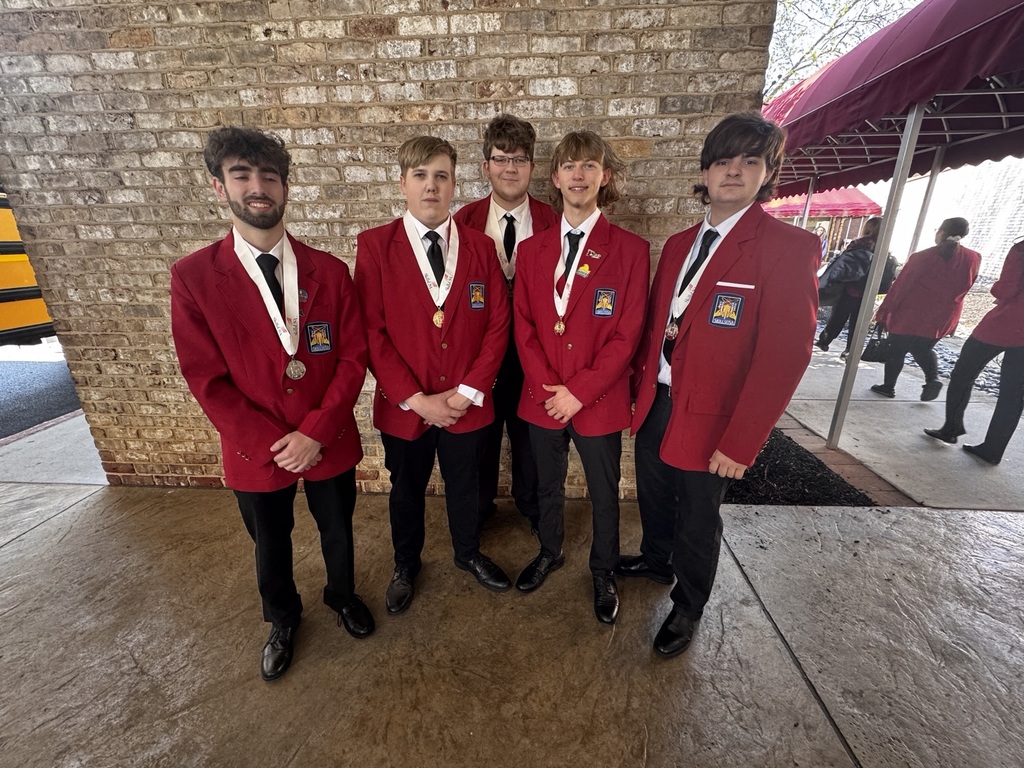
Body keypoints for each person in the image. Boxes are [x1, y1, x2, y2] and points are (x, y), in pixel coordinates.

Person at [170, 126, 374, 682]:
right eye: (242, 175)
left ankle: (342, 595)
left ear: (285, 188)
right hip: (255, 448)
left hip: (325, 436)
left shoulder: (329, 272)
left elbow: (352, 359)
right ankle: (282, 617)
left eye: (269, 177)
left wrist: (317, 431)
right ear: (219, 187)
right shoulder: (193, 278)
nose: (257, 187)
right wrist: (270, 443)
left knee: (338, 527)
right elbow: (205, 377)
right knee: (269, 540)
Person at [619, 112, 819, 657]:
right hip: (657, 401)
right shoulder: (681, 244)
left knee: (699, 517)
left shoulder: (787, 248)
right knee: (655, 495)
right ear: (705, 172)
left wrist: (742, 441)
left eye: (749, 162)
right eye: (723, 161)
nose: (734, 172)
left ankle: (689, 605)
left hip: (715, 418)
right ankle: (656, 561)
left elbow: (784, 357)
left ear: (767, 173)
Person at [355, 135, 512, 616]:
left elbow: (497, 325)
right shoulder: (375, 246)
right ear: (403, 184)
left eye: (441, 176)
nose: (431, 186)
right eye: (420, 176)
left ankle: (467, 553)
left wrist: (466, 393)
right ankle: (406, 564)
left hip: (465, 405)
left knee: (467, 486)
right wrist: (417, 400)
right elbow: (371, 332)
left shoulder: (482, 248)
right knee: (405, 489)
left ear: (454, 184)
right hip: (407, 409)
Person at [512, 130, 649, 625]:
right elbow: (523, 324)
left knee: (603, 490)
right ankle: (550, 551)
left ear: (603, 177)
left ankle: (604, 568)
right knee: (547, 486)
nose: (578, 174)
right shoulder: (531, 251)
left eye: (589, 165)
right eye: (569, 166)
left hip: (598, 401)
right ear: (554, 178)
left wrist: (580, 393)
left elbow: (627, 335)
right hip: (543, 398)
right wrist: (552, 389)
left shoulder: (631, 251)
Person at [453, 114, 559, 533]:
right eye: (501, 159)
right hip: (480, 351)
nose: (510, 168)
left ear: (532, 167)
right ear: (486, 167)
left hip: (536, 350)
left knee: (531, 436)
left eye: (519, 159)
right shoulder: (463, 221)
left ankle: (532, 508)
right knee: (478, 437)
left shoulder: (554, 221)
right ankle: (478, 510)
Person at [925, 239, 1024, 464]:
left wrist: (995, 289)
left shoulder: (1021, 249)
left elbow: (1006, 289)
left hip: (1005, 323)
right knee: (1013, 395)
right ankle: (993, 450)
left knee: (963, 374)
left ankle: (951, 427)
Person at [871, 218, 981, 401]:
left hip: (910, 314)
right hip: (943, 316)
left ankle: (888, 386)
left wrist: (884, 312)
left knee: (896, 350)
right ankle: (932, 379)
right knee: (922, 348)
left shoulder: (921, 257)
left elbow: (901, 287)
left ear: (942, 232)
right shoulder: (974, 258)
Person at [815, 216, 883, 358]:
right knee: (857, 324)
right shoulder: (882, 248)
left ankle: (825, 340)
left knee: (838, 317)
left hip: (850, 287)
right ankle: (850, 350)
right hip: (867, 291)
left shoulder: (859, 244)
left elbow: (843, 266)